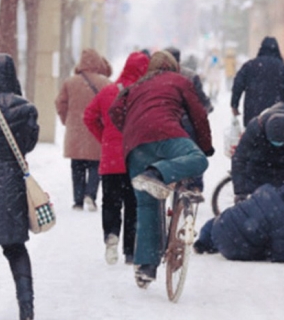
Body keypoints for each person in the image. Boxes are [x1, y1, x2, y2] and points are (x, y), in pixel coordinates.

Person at [109, 50, 214, 288]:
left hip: (135, 147)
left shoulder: (136, 86)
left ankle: (145, 267)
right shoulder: (180, 81)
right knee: (198, 159)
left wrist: (132, 129)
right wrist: (205, 146)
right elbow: (199, 116)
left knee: (146, 205)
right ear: (174, 67)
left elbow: (114, 111)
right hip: (168, 135)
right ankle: (157, 172)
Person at [83, 51, 150, 266]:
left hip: (112, 157)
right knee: (133, 203)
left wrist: (104, 137)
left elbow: (89, 116)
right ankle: (130, 251)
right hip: (136, 157)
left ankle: (111, 236)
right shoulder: (144, 94)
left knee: (110, 202)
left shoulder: (109, 91)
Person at [231, 103, 284, 258]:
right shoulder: (255, 128)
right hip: (259, 171)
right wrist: (240, 190)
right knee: (260, 208)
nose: (278, 146)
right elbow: (239, 159)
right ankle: (260, 243)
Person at [0, 54, 39, 320]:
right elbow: (28, 145)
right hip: (10, 184)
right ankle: (27, 307)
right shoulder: (25, 108)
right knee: (15, 248)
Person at [194, 179, 284, 262]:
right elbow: (281, 255)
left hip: (219, 227)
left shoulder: (266, 190)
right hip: (235, 250)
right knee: (251, 241)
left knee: (228, 218)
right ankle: (223, 245)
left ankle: (202, 242)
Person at [55, 48, 110, 211]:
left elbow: (60, 103)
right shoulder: (105, 83)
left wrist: (67, 120)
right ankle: (90, 195)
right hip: (96, 129)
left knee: (77, 165)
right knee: (95, 164)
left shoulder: (70, 82)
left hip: (76, 129)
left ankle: (78, 200)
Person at [164, 46, 213, 192]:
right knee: (195, 152)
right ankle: (196, 186)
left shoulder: (158, 76)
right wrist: (207, 108)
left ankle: (166, 179)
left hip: (166, 123)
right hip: (187, 122)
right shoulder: (190, 76)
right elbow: (201, 101)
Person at [231, 36, 284, 127]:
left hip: (252, 115)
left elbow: (237, 85)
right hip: (275, 117)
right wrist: (283, 107)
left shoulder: (249, 66)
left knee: (252, 139)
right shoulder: (283, 69)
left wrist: (234, 105)